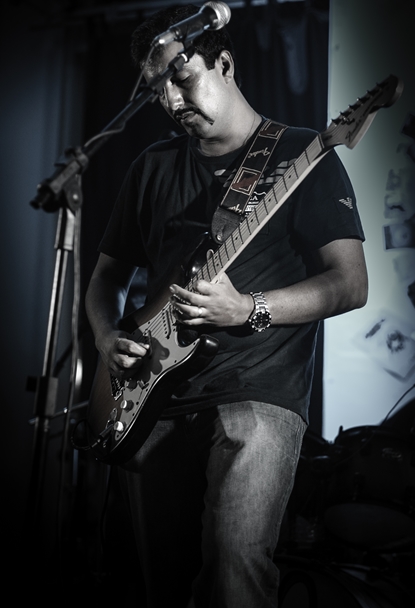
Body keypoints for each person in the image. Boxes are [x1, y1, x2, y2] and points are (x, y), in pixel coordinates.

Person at [85, 4, 368, 607]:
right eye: (157, 90)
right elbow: (105, 279)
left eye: (181, 78)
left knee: (235, 577)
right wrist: (108, 337)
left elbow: (349, 285)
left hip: (258, 396)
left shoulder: (304, 156)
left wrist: (249, 309)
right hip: (151, 401)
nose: (170, 99)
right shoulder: (152, 167)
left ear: (226, 63)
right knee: (160, 584)